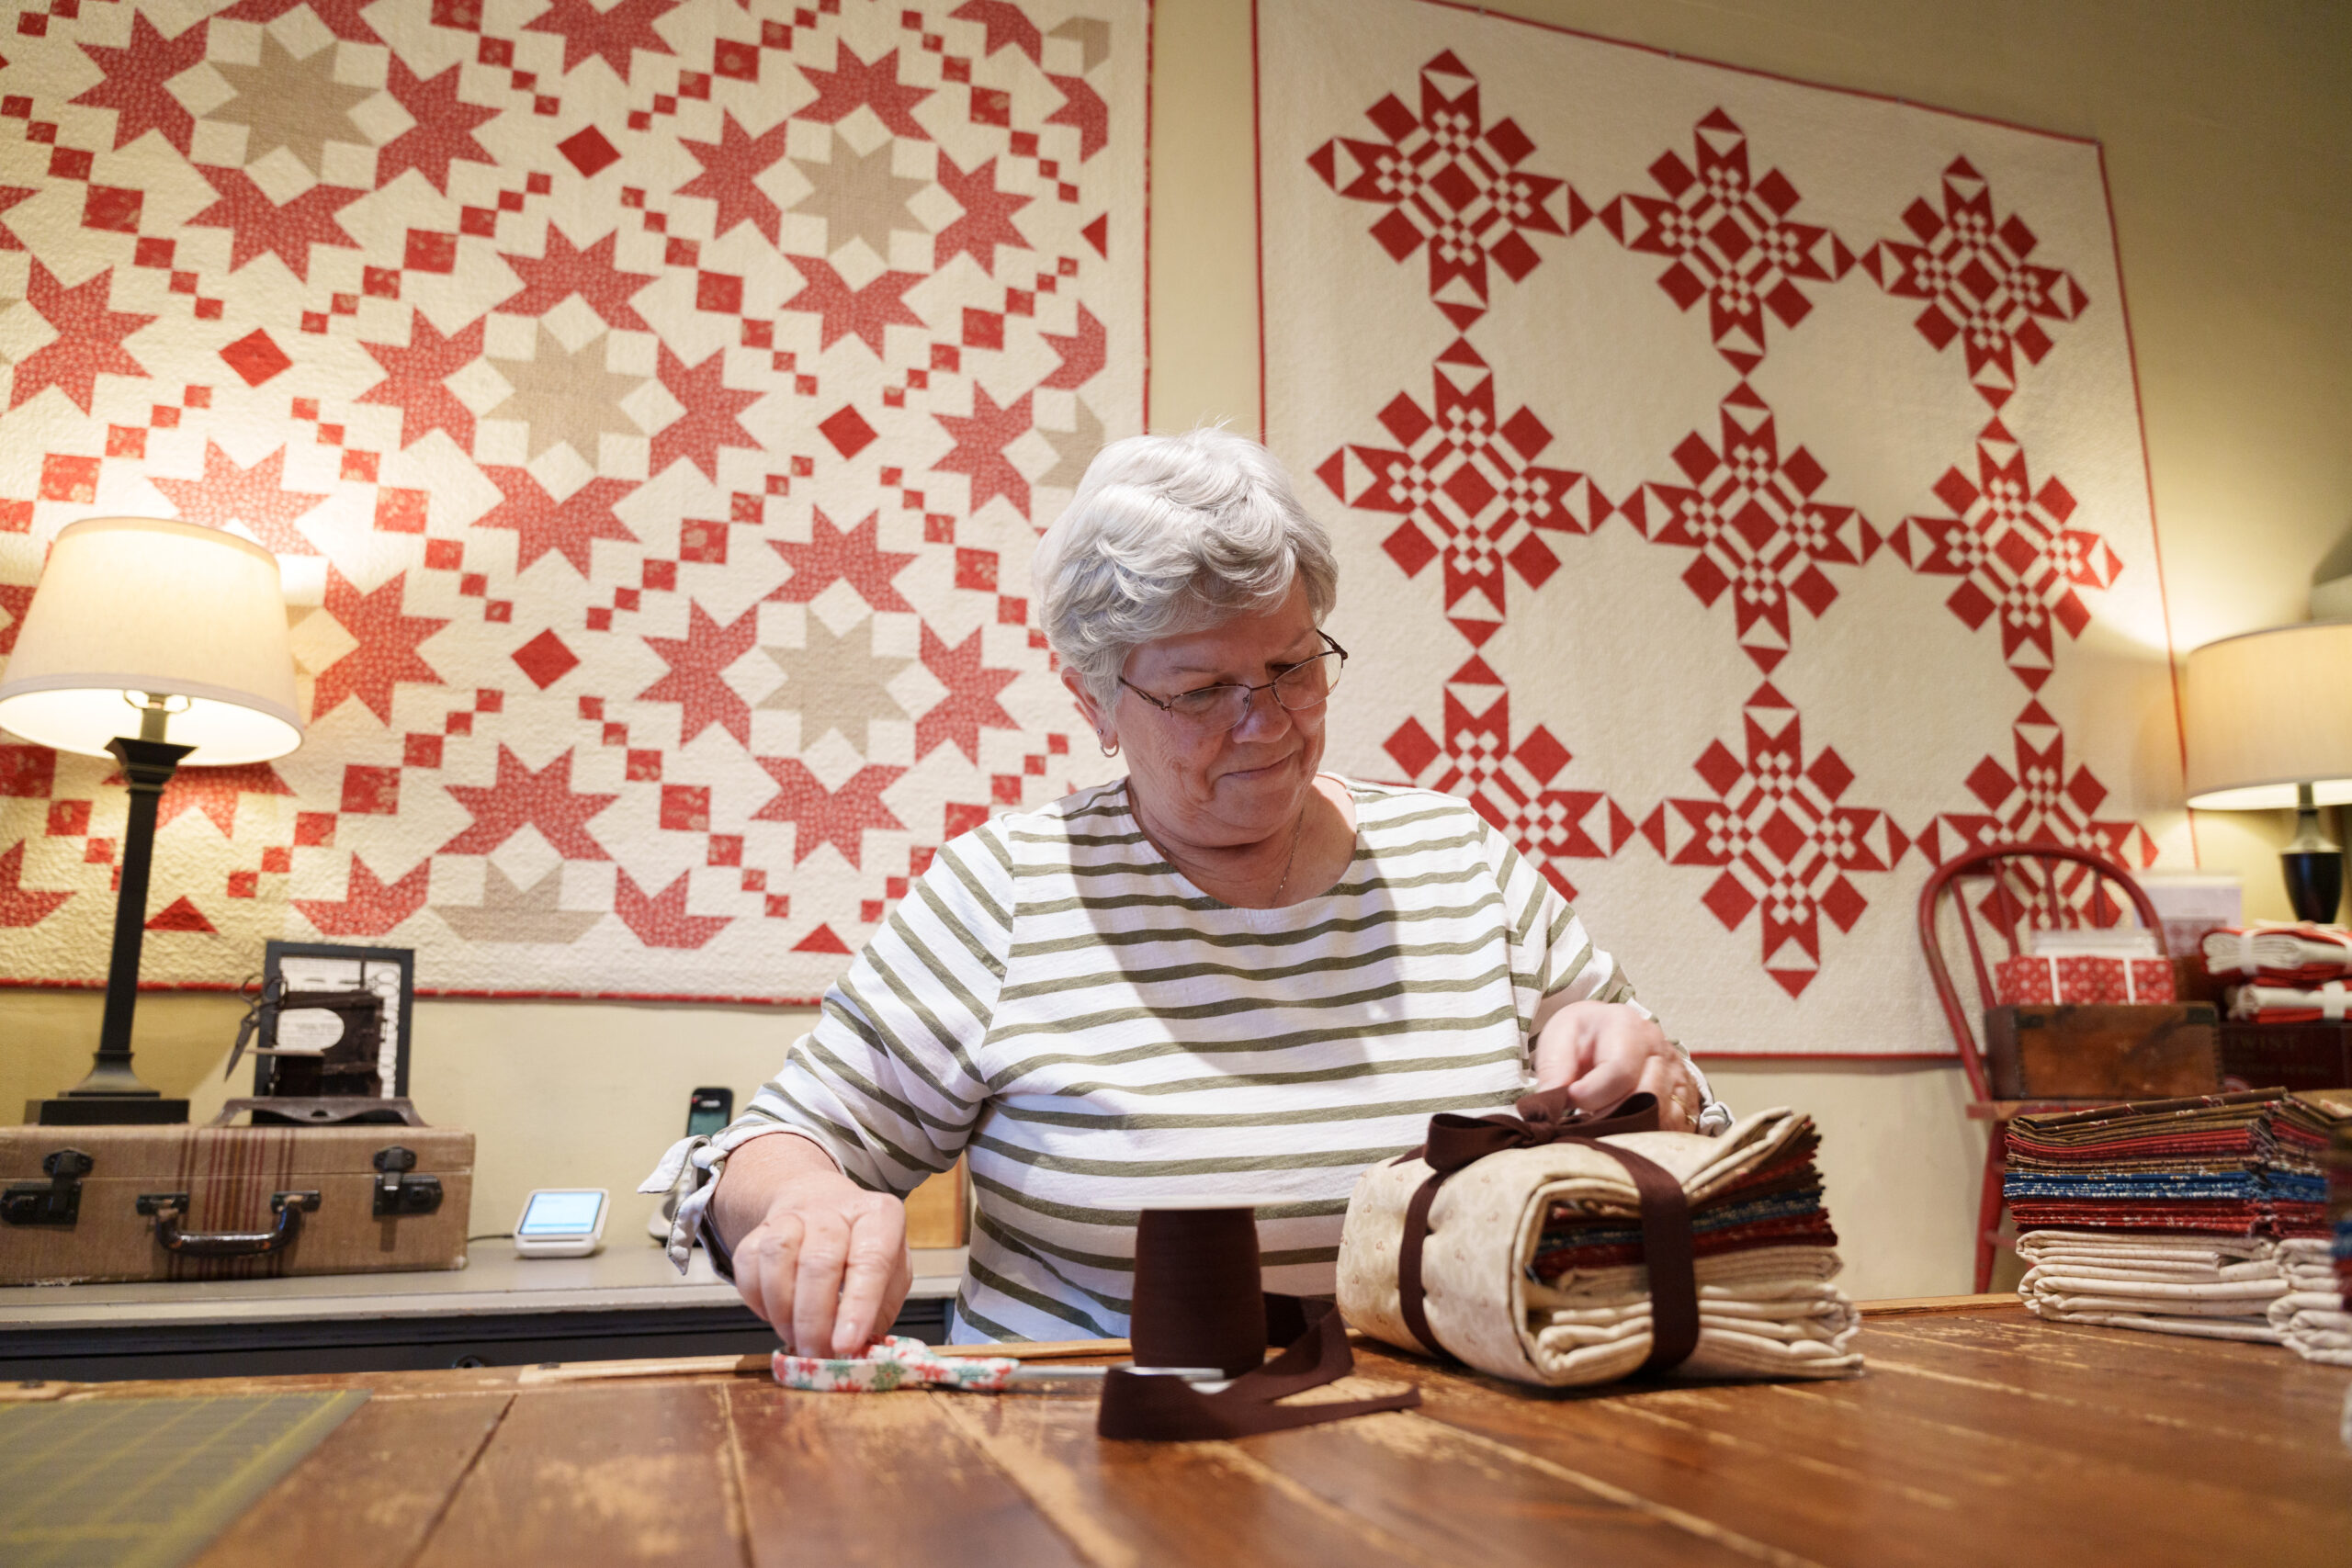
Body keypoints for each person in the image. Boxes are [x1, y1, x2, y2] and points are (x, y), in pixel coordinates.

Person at [642, 428, 1725, 1357]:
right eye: (1203, 690)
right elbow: (770, 1148)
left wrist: (1648, 1085)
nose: (1266, 724)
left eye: (1294, 668)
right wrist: (801, 1205)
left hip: (1444, 1478)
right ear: (1095, 700)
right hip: (1091, 1484)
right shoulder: (1007, 892)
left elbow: (1697, 1138)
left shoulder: (1460, 864)